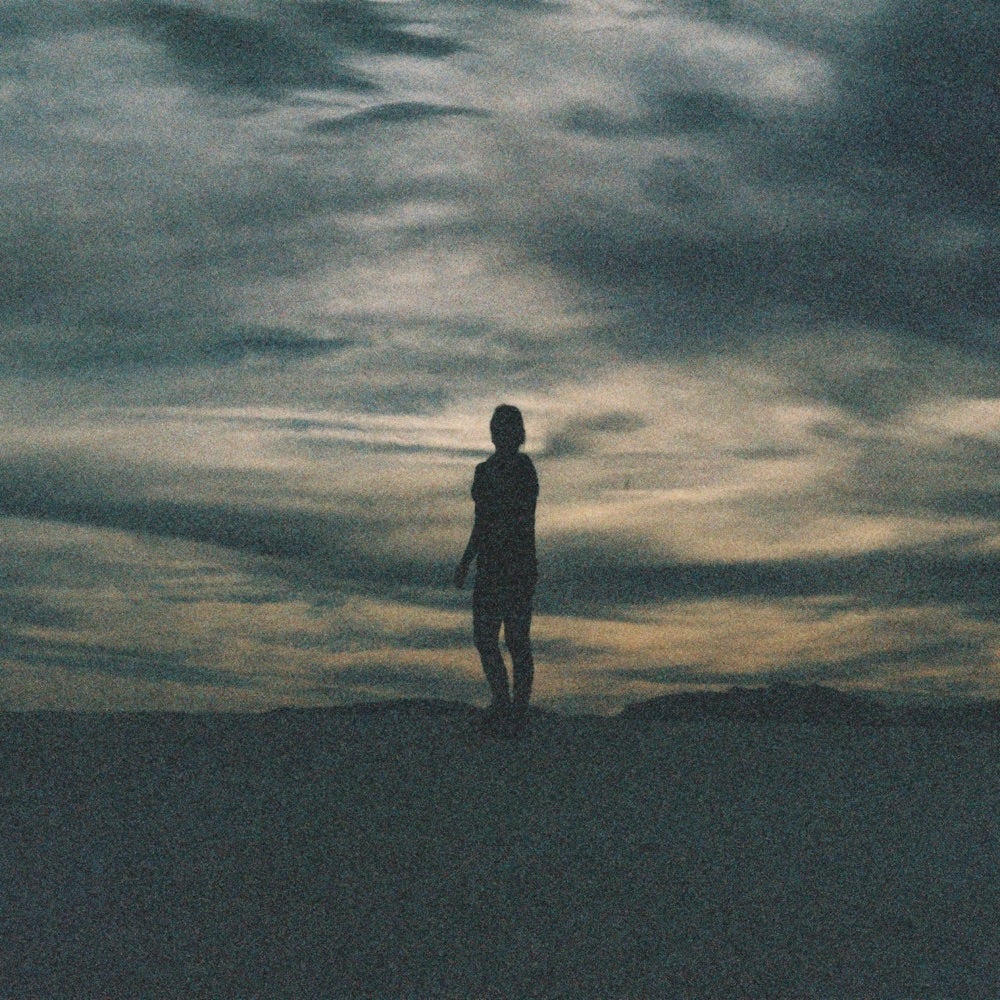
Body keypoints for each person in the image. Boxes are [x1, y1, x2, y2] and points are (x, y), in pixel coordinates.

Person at [454, 404, 538, 737]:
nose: (500, 434)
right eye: (497, 428)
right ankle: (503, 702)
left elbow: (518, 516)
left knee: (516, 639)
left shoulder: (523, 469)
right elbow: (482, 522)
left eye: (505, 428)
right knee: (485, 638)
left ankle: (518, 710)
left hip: (517, 566)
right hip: (491, 567)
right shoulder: (484, 471)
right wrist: (467, 560)